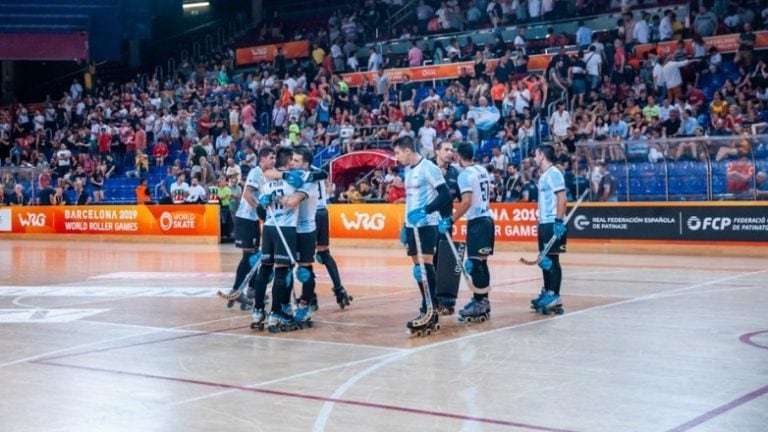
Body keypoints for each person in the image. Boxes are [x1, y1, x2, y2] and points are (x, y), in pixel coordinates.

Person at [393, 136, 451, 336]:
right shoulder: (408, 170)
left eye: (398, 153)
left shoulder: (429, 167)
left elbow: (445, 196)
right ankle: (427, 304)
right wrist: (404, 225)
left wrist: (426, 211)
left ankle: (431, 310)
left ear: (408, 150)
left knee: (425, 267)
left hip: (427, 224)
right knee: (418, 270)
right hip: (412, 226)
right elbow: (410, 200)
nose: (397, 157)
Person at [251, 147, 309, 333]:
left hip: (268, 229)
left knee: (265, 268)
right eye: (293, 160)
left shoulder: (267, 184)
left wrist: (267, 200)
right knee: (282, 272)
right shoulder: (294, 182)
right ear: (290, 161)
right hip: (286, 229)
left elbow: (260, 211)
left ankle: (258, 311)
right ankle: (275, 313)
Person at [438, 142, 494, 324]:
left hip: (477, 222)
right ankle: (482, 301)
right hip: (488, 219)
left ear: (458, 155)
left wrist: (450, 220)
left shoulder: (464, 176)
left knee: (475, 264)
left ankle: (479, 302)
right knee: (481, 264)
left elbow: (466, 202)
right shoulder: (482, 170)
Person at [228, 148, 275, 311]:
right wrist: (259, 208)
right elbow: (247, 194)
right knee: (249, 257)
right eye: (271, 158)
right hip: (245, 219)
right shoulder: (256, 172)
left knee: (254, 257)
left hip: (252, 220)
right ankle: (237, 290)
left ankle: (251, 290)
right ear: (262, 160)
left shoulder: (265, 175)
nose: (273, 161)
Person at [530, 145, 568, 315]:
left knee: (552, 260)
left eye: (536, 155)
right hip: (545, 222)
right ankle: (547, 292)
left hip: (552, 221)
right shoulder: (545, 175)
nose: (534, 158)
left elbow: (562, 198)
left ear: (542, 156)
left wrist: (558, 221)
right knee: (545, 260)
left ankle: (554, 295)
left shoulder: (554, 173)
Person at [432, 140, 461, 314]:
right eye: (446, 149)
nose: (450, 152)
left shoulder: (455, 173)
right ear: (437, 151)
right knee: (430, 264)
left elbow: (462, 197)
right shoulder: (427, 168)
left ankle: (446, 300)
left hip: (445, 225)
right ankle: (431, 300)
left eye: (452, 150)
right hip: (428, 224)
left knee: (446, 263)